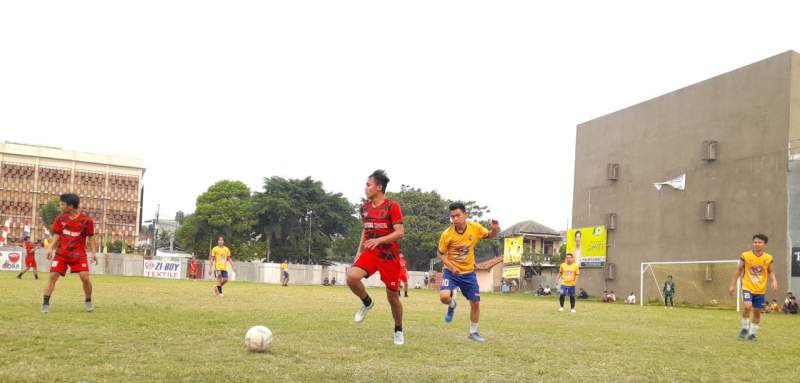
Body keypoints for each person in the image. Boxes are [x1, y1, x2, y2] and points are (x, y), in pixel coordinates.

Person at [346, 170, 406, 345]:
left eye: (368, 184)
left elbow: (400, 232)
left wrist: (379, 240)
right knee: (351, 277)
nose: (366, 188)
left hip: (389, 256)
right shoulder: (364, 208)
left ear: (379, 187)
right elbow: (365, 231)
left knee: (392, 296)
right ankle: (367, 303)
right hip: (371, 253)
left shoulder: (392, 206)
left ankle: (398, 329)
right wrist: (359, 253)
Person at [437, 202, 500, 343]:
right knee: (444, 297)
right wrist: (452, 268)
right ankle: (452, 304)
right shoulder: (447, 234)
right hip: (451, 272)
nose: (455, 219)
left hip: (468, 273)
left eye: (458, 215)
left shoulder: (475, 228)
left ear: (465, 215)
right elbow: (440, 254)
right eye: (452, 216)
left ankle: (473, 332)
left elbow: (490, 235)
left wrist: (495, 230)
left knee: (475, 303)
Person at [41, 193, 97, 314]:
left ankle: (88, 301)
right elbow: (57, 235)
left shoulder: (87, 221)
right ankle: (45, 303)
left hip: (79, 255)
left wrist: (93, 252)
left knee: (85, 277)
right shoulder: (60, 219)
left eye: (62, 204)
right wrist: (50, 247)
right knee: (53, 276)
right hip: (62, 254)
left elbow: (91, 237)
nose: (60, 206)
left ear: (71, 206)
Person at [729, 234, 779, 341]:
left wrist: (774, 280)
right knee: (747, 306)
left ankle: (752, 334)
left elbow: (770, 271)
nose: (756, 244)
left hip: (760, 290)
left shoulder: (768, 258)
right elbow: (739, 270)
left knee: (757, 312)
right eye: (755, 242)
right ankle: (744, 328)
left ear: (764, 244)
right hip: (747, 287)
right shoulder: (745, 255)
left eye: (759, 242)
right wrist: (733, 285)